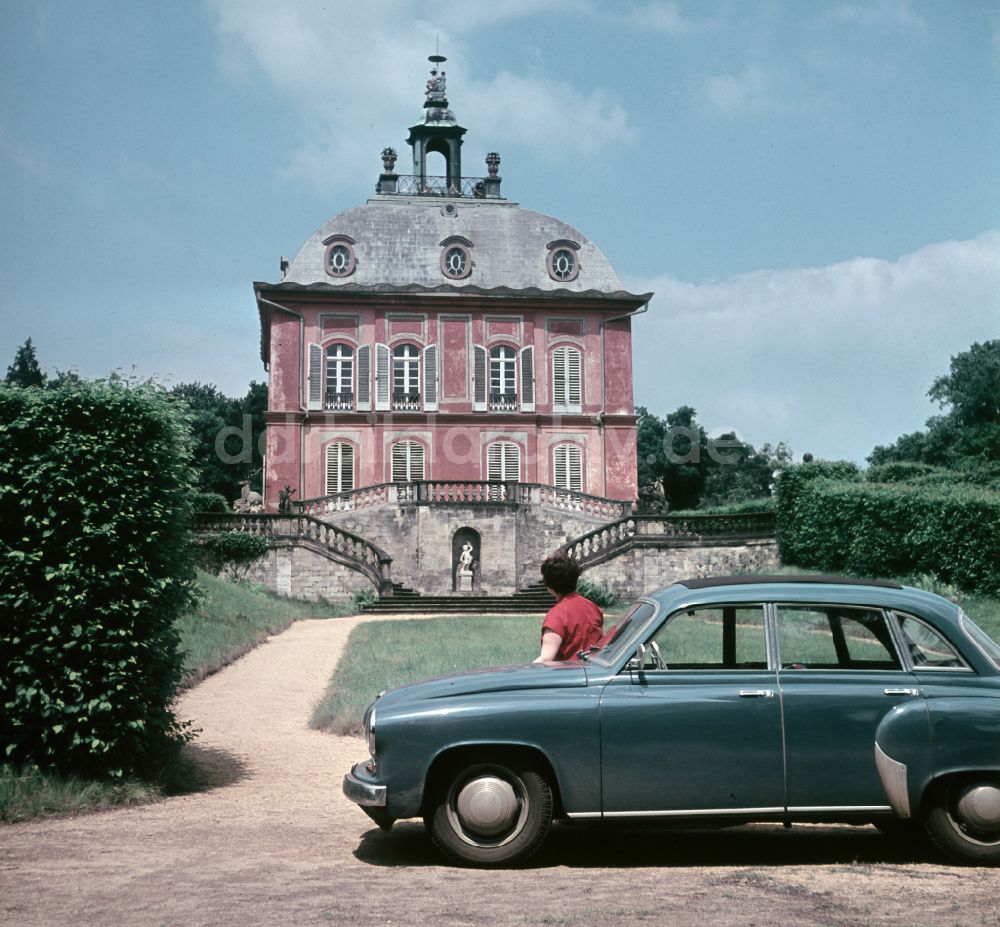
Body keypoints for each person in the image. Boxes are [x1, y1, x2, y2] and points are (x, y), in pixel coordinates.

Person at [533, 551, 604, 663]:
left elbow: (546, 659)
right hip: (593, 674)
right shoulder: (593, 607)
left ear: (549, 587)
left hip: (567, 677)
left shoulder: (557, 615)